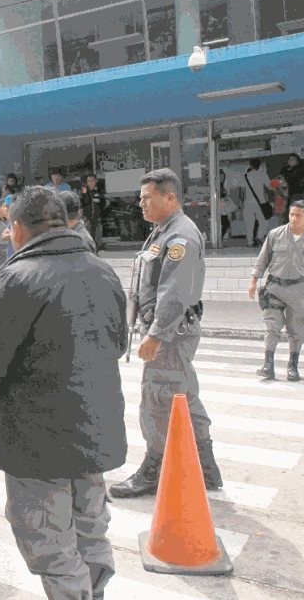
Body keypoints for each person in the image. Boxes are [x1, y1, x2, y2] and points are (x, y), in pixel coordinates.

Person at [0, 187, 127, 600]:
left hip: (38, 442)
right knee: (90, 528)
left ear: (18, 228)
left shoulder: (19, 278)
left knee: (49, 544)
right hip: (95, 428)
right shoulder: (102, 270)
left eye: (8, 229)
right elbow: (118, 343)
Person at [110, 168, 222, 498]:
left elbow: (173, 291)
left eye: (147, 198)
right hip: (172, 331)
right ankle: (206, 468)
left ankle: (153, 469)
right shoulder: (163, 231)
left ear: (169, 197)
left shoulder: (179, 236)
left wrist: (156, 334)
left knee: (157, 399)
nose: (140, 204)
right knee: (184, 395)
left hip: (170, 335)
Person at [247, 200, 304, 382]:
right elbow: (263, 258)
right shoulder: (275, 234)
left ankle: (293, 366)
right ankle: (268, 365)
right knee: (272, 327)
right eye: (291, 214)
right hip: (274, 287)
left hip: (298, 289)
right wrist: (254, 280)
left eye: (298, 215)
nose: (293, 218)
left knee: (296, 329)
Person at [242, 158, 271, 247]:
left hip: (248, 203)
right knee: (263, 221)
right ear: (259, 166)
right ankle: (259, 237)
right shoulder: (263, 175)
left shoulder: (245, 176)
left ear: (250, 165)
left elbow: (242, 190)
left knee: (249, 223)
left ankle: (250, 242)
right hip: (260, 202)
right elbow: (270, 187)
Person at [280, 154, 304, 221]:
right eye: (289, 159)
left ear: (297, 161)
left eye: (292, 159)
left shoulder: (300, 170)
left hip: (297, 194)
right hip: (288, 195)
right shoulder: (285, 170)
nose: (289, 161)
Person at [80, 174, 106, 252]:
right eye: (89, 181)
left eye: (92, 181)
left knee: (97, 233)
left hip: (97, 216)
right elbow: (82, 201)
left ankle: (98, 247)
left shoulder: (99, 191)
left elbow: (103, 202)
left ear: (96, 181)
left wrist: (100, 212)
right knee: (88, 233)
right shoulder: (84, 190)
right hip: (87, 217)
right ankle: (89, 248)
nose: (91, 183)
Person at [217, 169, 237, 248]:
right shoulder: (217, 185)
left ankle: (219, 239)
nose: (222, 178)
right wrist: (223, 194)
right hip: (219, 207)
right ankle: (219, 239)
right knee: (225, 223)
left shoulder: (221, 185)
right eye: (221, 176)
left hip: (221, 206)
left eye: (223, 176)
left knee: (224, 223)